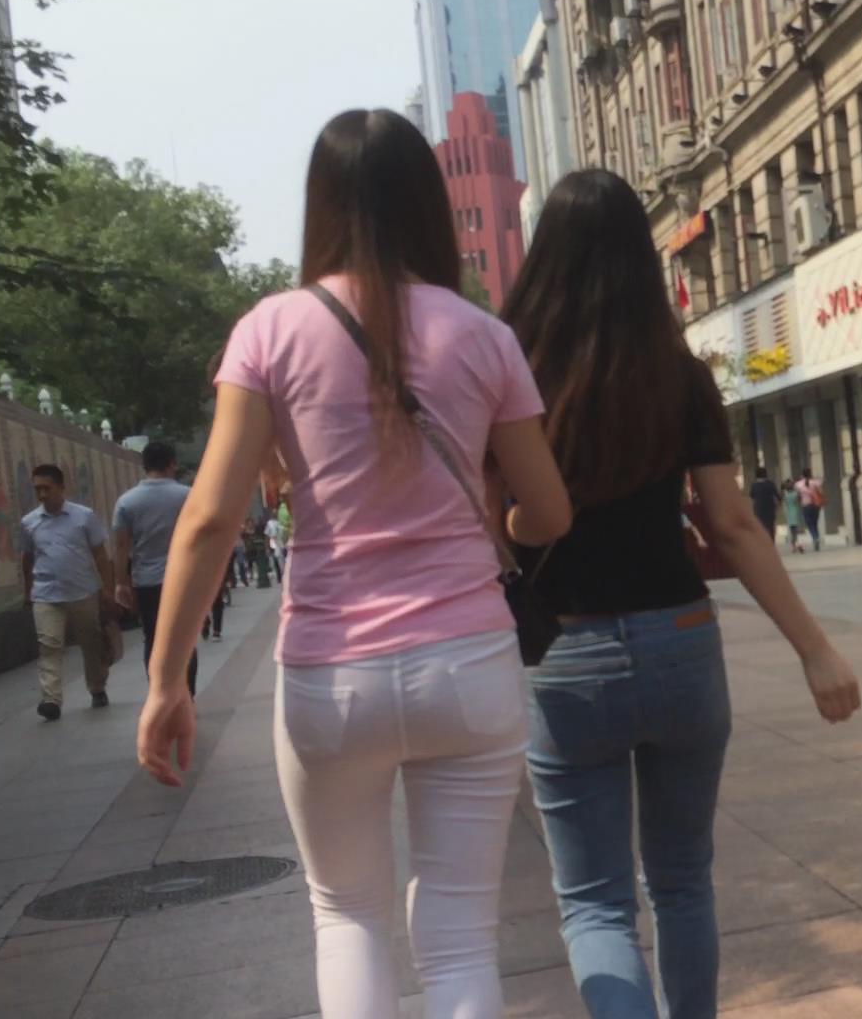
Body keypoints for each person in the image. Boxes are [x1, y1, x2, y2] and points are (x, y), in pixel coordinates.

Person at [133, 108, 573, 1019]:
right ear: (427, 204)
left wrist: (168, 679)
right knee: (461, 937)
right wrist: (495, 518)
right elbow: (551, 511)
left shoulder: (270, 329)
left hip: (331, 676)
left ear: (321, 204)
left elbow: (210, 517)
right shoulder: (484, 334)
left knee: (346, 916)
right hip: (469, 665)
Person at [502, 168, 859, 1019]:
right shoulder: (679, 374)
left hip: (568, 653)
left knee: (596, 904)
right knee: (684, 881)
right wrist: (816, 650)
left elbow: (492, 519)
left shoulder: (513, 373)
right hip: (681, 640)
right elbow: (732, 525)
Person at [16, 464, 118, 720]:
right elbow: (27, 559)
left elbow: (100, 554)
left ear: (61, 487)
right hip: (46, 594)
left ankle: (97, 687)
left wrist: (108, 588)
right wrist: (28, 592)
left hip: (83, 592)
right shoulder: (29, 523)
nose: (42, 494)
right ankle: (51, 700)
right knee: (48, 645)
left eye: (47, 488)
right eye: (37, 489)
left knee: (91, 644)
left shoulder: (84, 517)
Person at [112, 441, 200, 697]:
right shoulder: (188, 495)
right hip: (183, 580)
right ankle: (186, 697)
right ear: (172, 463)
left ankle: (160, 695)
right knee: (184, 639)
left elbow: (121, 546)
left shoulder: (126, 502)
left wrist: (120, 582)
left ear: (144, 465)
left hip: (146, 582)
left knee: (152, 638)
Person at [792, 467, 824, 553]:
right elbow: (821, 493)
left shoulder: (798, 484)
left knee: (809, 523)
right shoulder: (816, 482)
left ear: (802, 474)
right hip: (816, 505)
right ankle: (816, 537)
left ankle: (815, 537)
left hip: (805, 506)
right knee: (814, 522)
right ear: (810, 474)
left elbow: (797, 495)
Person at [749, 467, 781, 548]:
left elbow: (752, 497)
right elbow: (777, 496)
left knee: (760, 527)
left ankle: (762, 544)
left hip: (758, 509)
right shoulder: (770, 484)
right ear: (766, 474)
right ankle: (771, 544)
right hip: (770, 509)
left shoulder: (754, 485)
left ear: (756, 475)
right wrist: (778, 505)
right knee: (771, 527)